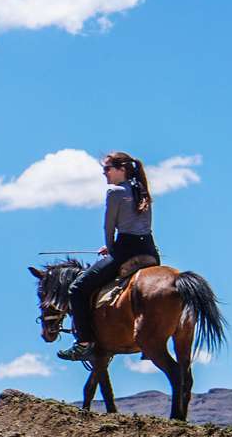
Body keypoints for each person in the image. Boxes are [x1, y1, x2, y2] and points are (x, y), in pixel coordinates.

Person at [58, 152, 159, 362]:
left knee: (76, 289)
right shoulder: (141, 189)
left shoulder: (114, 192)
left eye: (107, 169)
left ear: (121, 169)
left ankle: (83, 343)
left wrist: (111, 249)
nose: (104, 173)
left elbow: (109, 226)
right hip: (149, 250)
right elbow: (137, 225)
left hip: (125, 250)